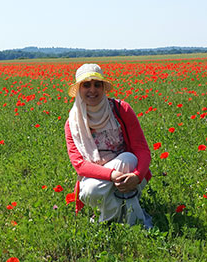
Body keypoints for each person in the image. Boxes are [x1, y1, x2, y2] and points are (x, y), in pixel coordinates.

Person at [64, 63, 153, 228]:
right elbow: (79, 165)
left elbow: (142, 149)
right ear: (79, 90)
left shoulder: (121, 109)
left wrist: (137, 176)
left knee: (127, 158)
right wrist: (112, 175)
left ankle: (112, 226)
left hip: (128, 172)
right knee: (91, 190)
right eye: (86, 85)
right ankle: (125, 222)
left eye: (97, 84)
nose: (93, 90)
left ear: (104, 88)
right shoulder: (73, 123)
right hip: (97, 179)